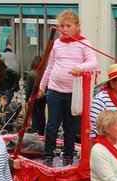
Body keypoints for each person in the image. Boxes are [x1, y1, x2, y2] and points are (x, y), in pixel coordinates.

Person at [39, 9, 98, 166]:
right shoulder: (57, 44)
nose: (64, 29)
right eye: (62, 26)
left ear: (77, 26)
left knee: (70, 126)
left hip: (73, 92)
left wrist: (80, 67)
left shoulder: (84, 43)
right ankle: (48, 155)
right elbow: (50, 67)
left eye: (68, 26)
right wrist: (41, 86)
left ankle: (68, 155)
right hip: (54, 90)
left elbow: (93, 62)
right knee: (52, 124)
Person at [25, 56, 45, 134]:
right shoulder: (43, 73)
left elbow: (28, 89)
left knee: (34, 113)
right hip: (43, 95)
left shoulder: (30, 74)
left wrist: (27, 99)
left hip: (34, 96)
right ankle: (42, 130)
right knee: (42, 112)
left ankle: (35, 129)